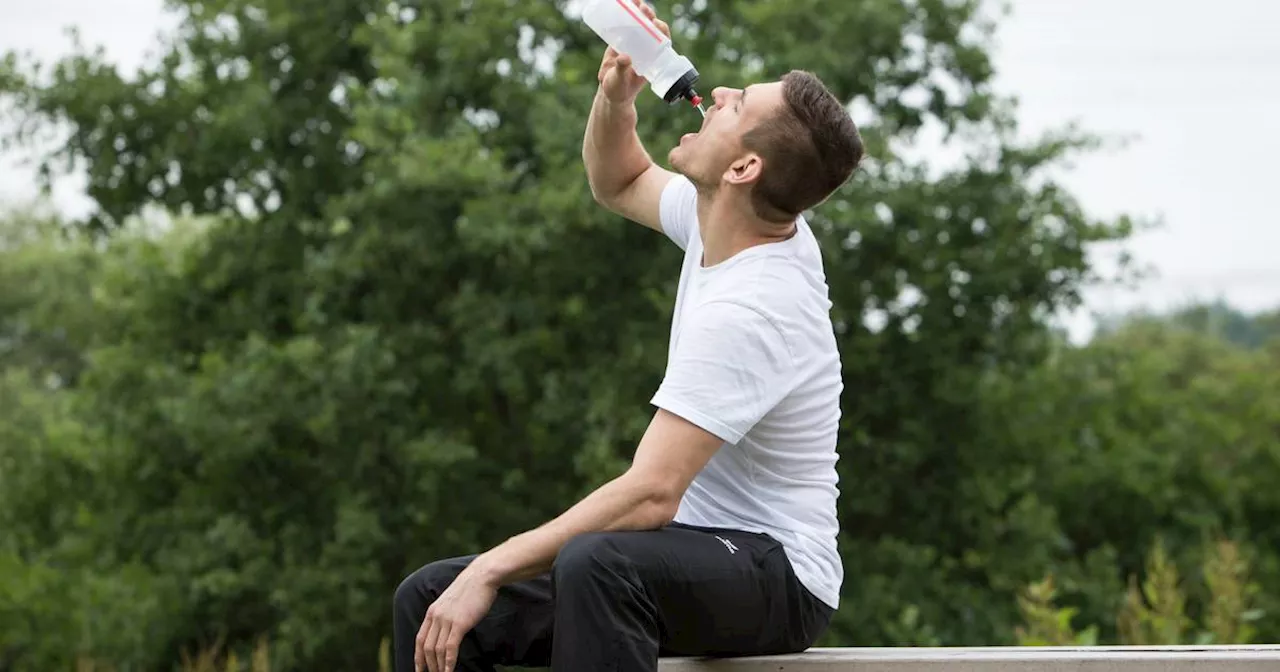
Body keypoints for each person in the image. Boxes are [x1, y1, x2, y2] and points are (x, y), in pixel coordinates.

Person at [393, 1, 864, 670]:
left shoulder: (755, 308)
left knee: (599, 563)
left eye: (737, 106)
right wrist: (616, 98)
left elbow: (652, 493)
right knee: (433, 598)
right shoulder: (727, 218)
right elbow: (620, 180)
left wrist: (493, 566)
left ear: (743, 170)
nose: (721, 92)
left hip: (778, 572)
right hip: (691, 548)